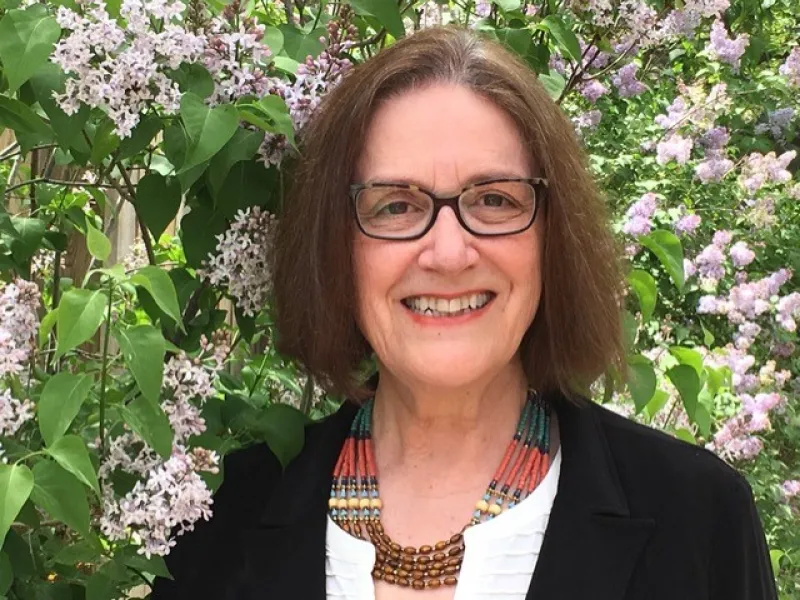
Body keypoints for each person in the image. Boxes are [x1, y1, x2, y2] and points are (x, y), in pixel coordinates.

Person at [152, 26, 778, 600]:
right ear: (336, 248)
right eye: (394, 205)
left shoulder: (698, 521)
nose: (448, 252)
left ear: (551, 240)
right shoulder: (220, 518)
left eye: (496, 200)